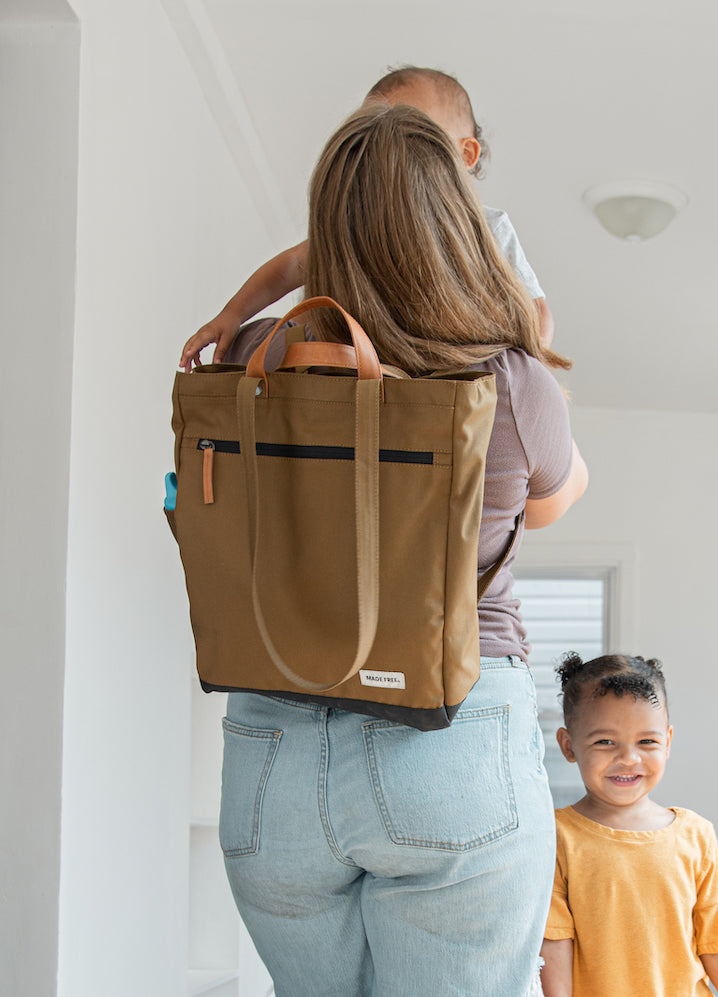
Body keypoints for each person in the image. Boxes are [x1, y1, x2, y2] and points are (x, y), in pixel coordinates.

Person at [213, 103, 588, 997]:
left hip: (273, 752)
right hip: (451, 733)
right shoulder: (505, 374)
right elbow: (552, 505)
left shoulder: (257, 357)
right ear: (455, 221)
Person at [179, 65, 554, 372]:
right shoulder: (359, 228)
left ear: (464, 155)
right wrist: (232, 314)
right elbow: (293, 264)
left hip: (451, 368)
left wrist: (520, 371)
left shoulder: (486, 229)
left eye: (413, 138)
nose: (389, 152)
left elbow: (535, 313)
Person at [540, 653, 718, 997]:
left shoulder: (695, 834)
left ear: (668, 741)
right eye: (605, 742)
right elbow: (554, 945)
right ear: (568, 746)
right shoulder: (555, 838)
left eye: (647, 741)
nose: (629, 758)